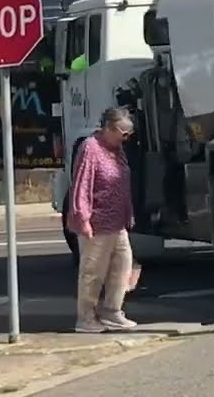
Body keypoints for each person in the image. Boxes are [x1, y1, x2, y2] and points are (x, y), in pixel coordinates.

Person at [67, 107, 138, 333]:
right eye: (122, 132)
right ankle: (85, 318)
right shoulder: (90, 148)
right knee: (93, 271)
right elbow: (82, 183)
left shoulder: (116, 150)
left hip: (117, 222)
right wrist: (83, 218)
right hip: (97, 222)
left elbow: (122, 182)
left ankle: (112, 311)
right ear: (108, 127)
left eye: (129, 133)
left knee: (123, 265)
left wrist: (128, 213)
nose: (125, 138)